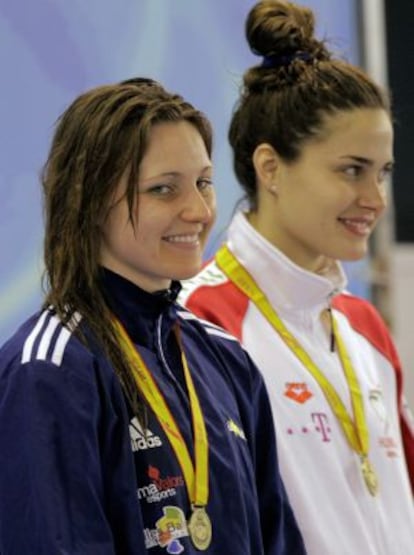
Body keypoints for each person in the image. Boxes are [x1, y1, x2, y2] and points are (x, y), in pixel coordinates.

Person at [0, 78, 306, 554]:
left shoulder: (226, 360)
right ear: (91, 200)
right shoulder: (51, 371)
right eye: (164, 189)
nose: (199, 210)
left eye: (204, 183)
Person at [179, 2, 414, 554]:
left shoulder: (365, 327)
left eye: (382, 173)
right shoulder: (199, 324)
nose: (375, 200)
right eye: (350, 170)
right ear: (271, 168)